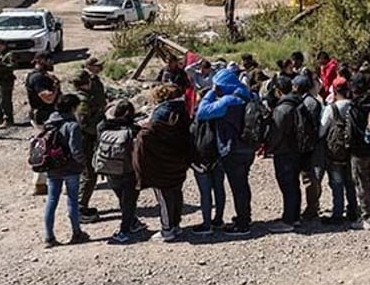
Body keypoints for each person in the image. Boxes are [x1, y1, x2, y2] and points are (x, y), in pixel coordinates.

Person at [196, 69, 254, 236]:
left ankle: (242, 225)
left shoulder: (228, 102)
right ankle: (245, 216)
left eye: (218, 85)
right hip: (248, 148)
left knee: (238, 187)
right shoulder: (246, 95)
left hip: (232, 150)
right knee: (243, 185)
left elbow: (202, 113)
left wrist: (210, 94)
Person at [132, 83, 193, 242]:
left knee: (164, 196)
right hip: (178, 159)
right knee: (176, 193)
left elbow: (151, 135)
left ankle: (167, 230)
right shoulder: (183, 111)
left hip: (161, 163)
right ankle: (175, 225)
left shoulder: (161, 113)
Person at [43, 93, 90, 248]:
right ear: (72, 108)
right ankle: (77, 233)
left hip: (52, 167)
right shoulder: (72, 125)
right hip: (70, 168)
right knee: (72, 201)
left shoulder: (50, 122)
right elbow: (75, 150)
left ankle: (49, 237)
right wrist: (84, 164)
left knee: (51, 200)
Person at [96, 99, 144, 244]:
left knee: (122, 199)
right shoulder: (134, 129)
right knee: (129, 201)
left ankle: (133, 222)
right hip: (129, 170)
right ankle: (124, 230)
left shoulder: (103, 127)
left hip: (109, 168)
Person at [319, 76, 358, 224]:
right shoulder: (353, 106)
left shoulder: (332, 108)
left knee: (336, 183)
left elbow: (322, 131)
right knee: (350, 182)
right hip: (352, 150)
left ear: (334, 91)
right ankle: (353, 210)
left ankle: (337, 214)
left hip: (334, 151)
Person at [267, 76, 302, 233]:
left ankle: (288, 220)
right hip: (297, 150)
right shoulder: (298, 103)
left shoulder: (281, 109)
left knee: (287, 185)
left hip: (284, 151)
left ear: (278, 90)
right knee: (294, 184)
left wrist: (270, 147)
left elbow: (277, 133)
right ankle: (295, 216)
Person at [25, 52, 61, 195]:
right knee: (45, 147)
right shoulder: (37, 77)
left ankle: (41, 183)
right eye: (49, 60)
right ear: (40, 61)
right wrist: (56, 87)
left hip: (45, 115)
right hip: (43, 116)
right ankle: (40, 183)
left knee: (44, 146)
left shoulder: (43, 75)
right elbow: (48, 99)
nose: (52, 62)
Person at [72, 70, 101, 223]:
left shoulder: (80, 98)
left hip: (84, 140)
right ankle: (80, 208)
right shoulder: (82, 101)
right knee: (89, 175)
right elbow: (84, 124)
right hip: (85, 141)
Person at [294, 74, 323, 221]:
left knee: (310, 179)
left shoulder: (308, 103)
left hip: (309, 147)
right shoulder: (311, 101)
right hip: (310, 145)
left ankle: (312, 208)